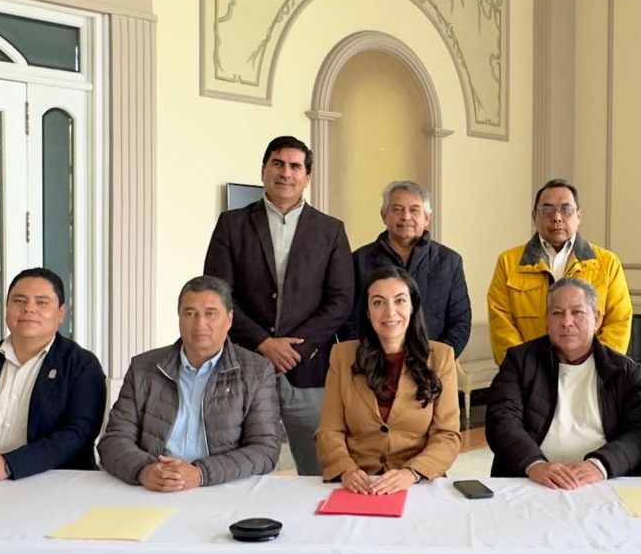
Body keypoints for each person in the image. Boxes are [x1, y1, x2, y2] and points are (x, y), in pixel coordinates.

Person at [205, 135, 353, 476]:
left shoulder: (331, 231)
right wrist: (263, 343)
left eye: (295, 166)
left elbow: (341, 299)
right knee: (239, 467)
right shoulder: (232, 224)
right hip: (245, 364)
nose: (286, 173)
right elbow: (217, 294)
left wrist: (295, 349)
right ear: (263, 170)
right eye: (278, 163)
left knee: (319, 471)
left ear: (307, 177)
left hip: (308, 370)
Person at [98, 276, 282, 490]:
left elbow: (265, 449)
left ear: (229, 319)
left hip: (220, 488)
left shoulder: (257, 371)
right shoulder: (144, 368)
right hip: (153, 487)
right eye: (190, 313)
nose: (200, 324)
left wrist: (201, 473)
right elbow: (114, 439)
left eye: (210, 313)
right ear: (179, 317)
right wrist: (144, 470)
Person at [0, 268, 106, 482]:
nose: (28, 309)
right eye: (19, 301)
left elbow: (78, 433)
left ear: (61, 313)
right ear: (6, 309)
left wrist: (8, 465)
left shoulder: (81, 365)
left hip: (54, 481)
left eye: (41, 302)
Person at [484, 278, 641, 489]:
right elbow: (501, 421)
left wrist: (600, 465)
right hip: (533, 479)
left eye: (577, 312)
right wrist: (534, 464)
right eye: (557, 313)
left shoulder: (625, 372)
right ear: (547, 319)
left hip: (603, 480)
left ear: (596, 318)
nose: (567, 322)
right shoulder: (520, 362)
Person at [315, 267, 460, 494]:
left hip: (417, 483)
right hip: (360, 483)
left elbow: (447, 435)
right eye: (378, 302)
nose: (390, 312)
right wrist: (346, 469)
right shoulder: (342, 355)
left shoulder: (441, 357)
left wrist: (411, 473)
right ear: (367, 311)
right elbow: (329, 430)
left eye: (400, 301)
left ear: (413, 306)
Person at [486, 179, 631, 364]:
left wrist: (593, 367)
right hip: (528, 372)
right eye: (547, 209)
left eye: (566, 209)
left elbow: (619, 322)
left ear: (579, 215)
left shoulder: (607, 263)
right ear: (534, 216)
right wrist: (527, 369)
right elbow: (501, 324)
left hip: (590, 371)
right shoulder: (509, 263)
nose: (556, 217)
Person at [345, 180, 471, 357]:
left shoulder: (449, 261)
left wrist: (434, 361)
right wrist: (370, 358)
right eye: (397, 210)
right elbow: (348, 320)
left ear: (427, 218)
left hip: (433, 364)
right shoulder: (359, 261)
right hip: (372, 364)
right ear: (384, 216)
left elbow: (460, 322)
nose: (406, 217)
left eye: (414, 210)